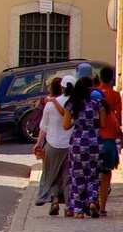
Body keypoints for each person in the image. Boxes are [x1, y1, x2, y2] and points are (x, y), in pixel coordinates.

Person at [62, 76, 103, 219]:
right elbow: (102, 124)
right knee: (93, 174)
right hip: (94, 141)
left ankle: (78, 209)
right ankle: (92, 201)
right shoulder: (98, 103)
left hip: (78, 142)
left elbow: (66, 126)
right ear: (90, 89)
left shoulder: (71, 104)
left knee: (77, 175)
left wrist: (76, 121)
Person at [34, 77, 72, 216]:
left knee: (53, 174)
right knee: (67, 175)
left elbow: (43, 127)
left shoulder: (50, 105)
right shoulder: (74, 103)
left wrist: (38, 144)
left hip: (53, 144)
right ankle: (68, 207)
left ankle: (55, 201)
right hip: (69, 145)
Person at [98, 67, 121, 216]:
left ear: (100, 78)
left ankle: (91, 201)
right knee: (106, 175)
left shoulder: (93, 94)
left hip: (93, 139)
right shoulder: (115, 95)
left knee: (91, 174)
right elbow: (118, 116)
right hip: (109, 139)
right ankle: (102, 207)